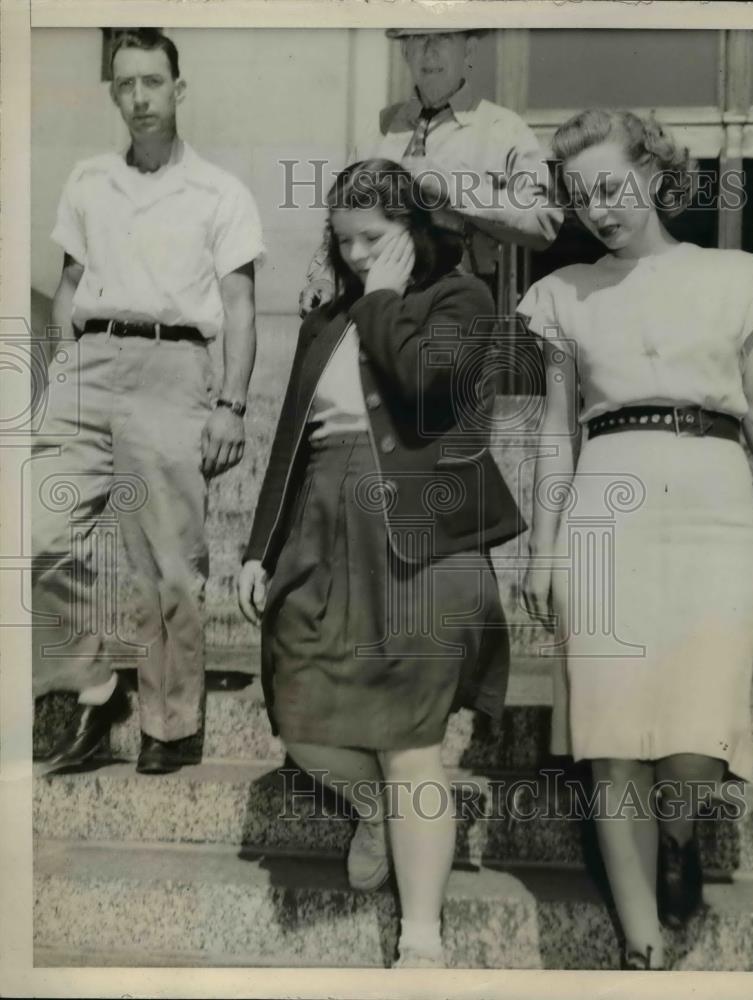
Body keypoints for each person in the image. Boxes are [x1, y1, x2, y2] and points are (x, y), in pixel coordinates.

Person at [239, 159, 523, 968]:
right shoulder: (324, 321)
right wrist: (258, 551)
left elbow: (427, 390)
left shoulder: (461, 301)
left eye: (375, 238)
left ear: (413, 231)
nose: (359, 254)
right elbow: (290, 443)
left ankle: (422, 942)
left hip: (421, 539)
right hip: (322, 529)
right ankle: (376, 808)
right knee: (299, 718)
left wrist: (384, 302)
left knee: (411, 746)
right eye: (346, 241)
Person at [519, 110, 753, 970]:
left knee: (699, 737)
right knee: (612, 736)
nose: (598, 208)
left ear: (655, 176)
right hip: (604, 506)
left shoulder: (741, 277)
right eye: (580, 195)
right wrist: (544, 552)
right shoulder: (560, 295)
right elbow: (553, 433)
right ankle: (641, 947)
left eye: (612, 186)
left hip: (715, 500)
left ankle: (680, 831)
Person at [33, 28, 265, 775]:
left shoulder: (219, 191)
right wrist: (60, 374)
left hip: (175, 366)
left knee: (167, 563)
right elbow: (68, 285)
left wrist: (231, 403)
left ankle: (173, 721)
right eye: (125, 84)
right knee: (37, 530)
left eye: (152, 83)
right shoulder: (88, 179)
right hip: (88, 363)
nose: (139, 98)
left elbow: (240, 305)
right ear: (113, 92)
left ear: (178, 88)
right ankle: (94, 688)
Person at [299, 28, 562, 317]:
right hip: (373, 308)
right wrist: (324, 278)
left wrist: (452, 190)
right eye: (418, 39)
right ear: (404, 51)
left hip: (458, 311)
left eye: (444, 37)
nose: (430, 50)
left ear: (470, 50)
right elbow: (343, 221)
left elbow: (544, 221)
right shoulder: (379, 129)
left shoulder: (504, 129)